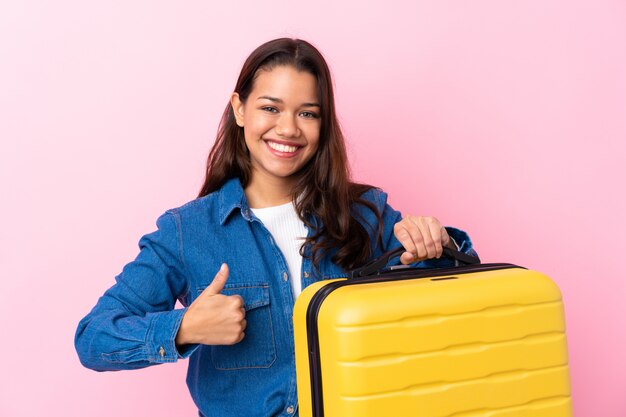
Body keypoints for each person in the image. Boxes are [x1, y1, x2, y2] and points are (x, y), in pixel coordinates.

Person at [75, 38, 477, 417]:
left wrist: (436, 244)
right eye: (270, 108)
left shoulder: (366, 213)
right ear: (239, 109)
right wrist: (184, 328)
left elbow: (456, 304)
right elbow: (94, 338)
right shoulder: (188, 231)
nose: (288, 129)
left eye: (307, 113)